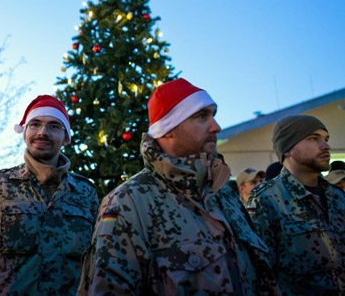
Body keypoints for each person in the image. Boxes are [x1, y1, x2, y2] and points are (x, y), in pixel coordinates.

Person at [79, 78, 277, 295]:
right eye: (202, 116)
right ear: (168, 129)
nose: (216, 126)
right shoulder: (129, 202)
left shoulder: (223, 194)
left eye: (213, 115)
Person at [0, 95, 98, 295]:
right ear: (25, 133)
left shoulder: (85, 192)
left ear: (66, 138)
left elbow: (94, 264)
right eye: (35, 124)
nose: (42, 132)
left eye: (54, 126)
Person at [246, 115, 345, 294]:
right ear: (288, 149)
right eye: (314, 138)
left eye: (326, 139)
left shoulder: (338, 197)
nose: (326, 146)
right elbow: (260, 274)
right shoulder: (265, 199)